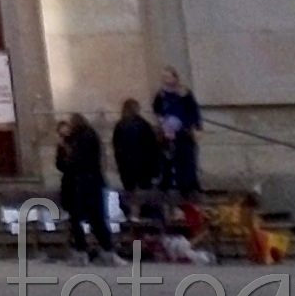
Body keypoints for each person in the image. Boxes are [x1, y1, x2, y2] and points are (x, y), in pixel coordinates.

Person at [53, 113, 113, 261]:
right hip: (77, 185)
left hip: (84, 185)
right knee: (82, 219)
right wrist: (63, 151)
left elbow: (78, 162)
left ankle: (101, 249)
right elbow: (62, 165)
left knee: (93, 218)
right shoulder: (73, 141)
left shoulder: (84, 138)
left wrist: (67, 154)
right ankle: (91, 249)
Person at [111, 96, 166, 246]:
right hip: (143, 168)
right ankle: (147, 234)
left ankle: (132, 228)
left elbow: (117, 148)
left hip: (127, 168)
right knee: (146, 198)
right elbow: (152, 148)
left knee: (130, 197)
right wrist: (155, 169)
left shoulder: (120, 126)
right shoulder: (143, 125)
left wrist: (120, 165)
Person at [153, 70, 205, 201]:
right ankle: (168, 184)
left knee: (187, 160)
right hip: (168, 133)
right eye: (163, 77)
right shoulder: (161, 95)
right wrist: (162, 122)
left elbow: (194, 112)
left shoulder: (185, 94)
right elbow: (157, 110)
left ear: (175, 78)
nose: (165, 80)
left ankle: (189, 187)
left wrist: (196, 127)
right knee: (169, 160)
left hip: (184, 132)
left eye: (168, 77)